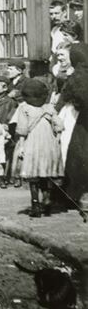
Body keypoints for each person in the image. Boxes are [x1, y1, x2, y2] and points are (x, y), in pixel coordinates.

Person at [12, 77, 63, 217]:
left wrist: (21, 146)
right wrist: (57, 141)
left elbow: (22, 129)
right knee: (45, 173)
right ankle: (46, 201)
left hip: (32, 143)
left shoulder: (24, 108)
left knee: (33, 175)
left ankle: (35, 205)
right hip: (49, 143)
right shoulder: (49, 108)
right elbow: (59, 125)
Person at [60, 43, 88, 212]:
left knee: (77, 153)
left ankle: (78, 194)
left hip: (79, 116)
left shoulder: (78, 75)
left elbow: (79, 98)